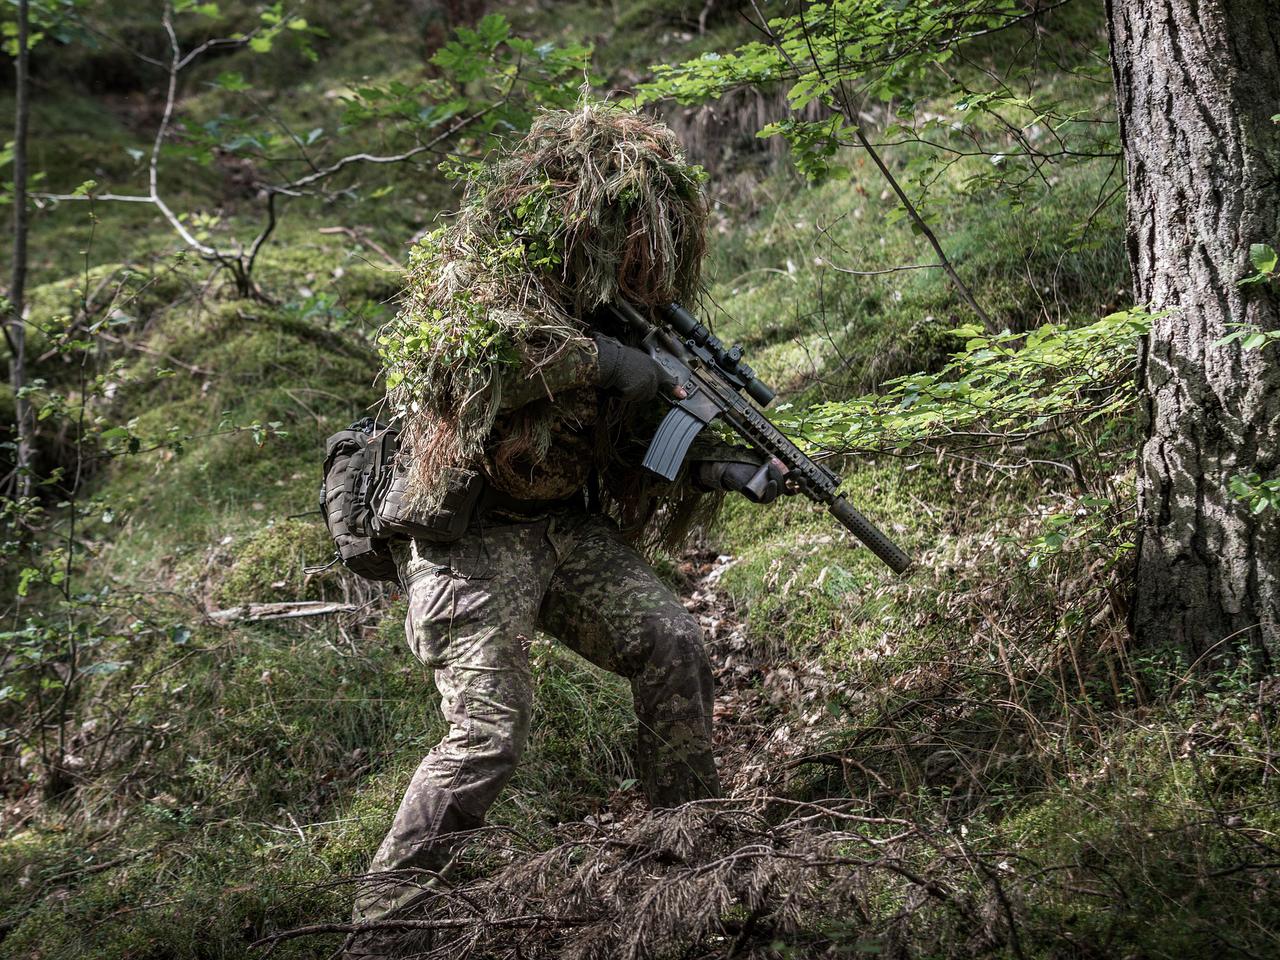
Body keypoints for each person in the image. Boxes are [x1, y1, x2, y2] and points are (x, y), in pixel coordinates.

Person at [346, 105, 790, 958]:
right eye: (620, 234)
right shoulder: (488, 290)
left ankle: (684, 850)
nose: (634, 256)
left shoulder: (634, 316)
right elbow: (483, 370)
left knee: (673, 644)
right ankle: (383, 924)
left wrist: (724, 468)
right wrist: (633, 370)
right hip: (468, 542)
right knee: (486, 732)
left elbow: (633, 449)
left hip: (565, 530)